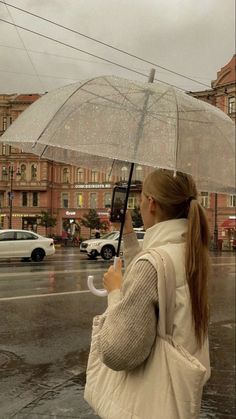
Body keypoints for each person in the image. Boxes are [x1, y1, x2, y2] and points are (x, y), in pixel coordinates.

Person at [95, 169, 211, 409]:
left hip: (150, 405)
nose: (138, 208)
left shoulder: (152, 265)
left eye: (140, 200)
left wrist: (115, 292)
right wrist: (128, 233)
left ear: (152, 203)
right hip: (178, 398)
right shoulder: (190, 253)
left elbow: (118, 352)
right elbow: (157, 277)